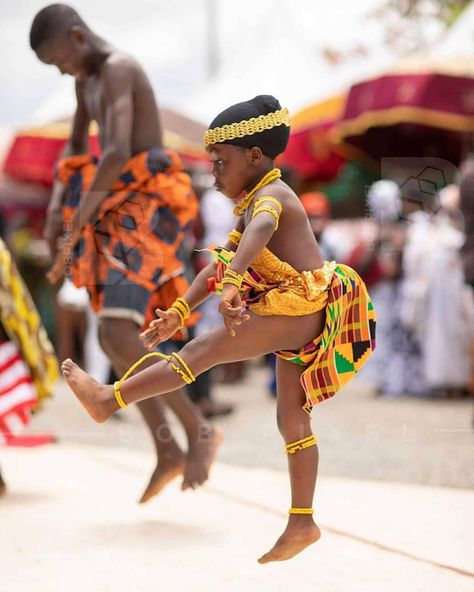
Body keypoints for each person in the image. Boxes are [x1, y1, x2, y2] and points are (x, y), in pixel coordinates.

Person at [61, 95, 376, 563]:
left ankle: (111, 399)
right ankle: (303, 520)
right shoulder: (252, 201)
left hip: (300, 309)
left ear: (254, 156)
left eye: (219, 161)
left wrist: (232, 283)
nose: (212, 172)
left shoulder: (272, 198)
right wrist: (181, 311)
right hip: (297, 313)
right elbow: (219, 267)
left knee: (201, 352)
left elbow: (258, 234)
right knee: (292, 420)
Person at [30, 4, 220, 501]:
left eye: (59, 60)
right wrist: (56, 210)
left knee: (116, 328)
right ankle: (169, 446)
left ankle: (197, 430)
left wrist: (76, 227)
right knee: (116, 337)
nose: (62, 71)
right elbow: (75, 154)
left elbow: (114, 152)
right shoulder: (84, 80)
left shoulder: (118, 68)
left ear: (77, 36)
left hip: (149, 204)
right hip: (117, 208)